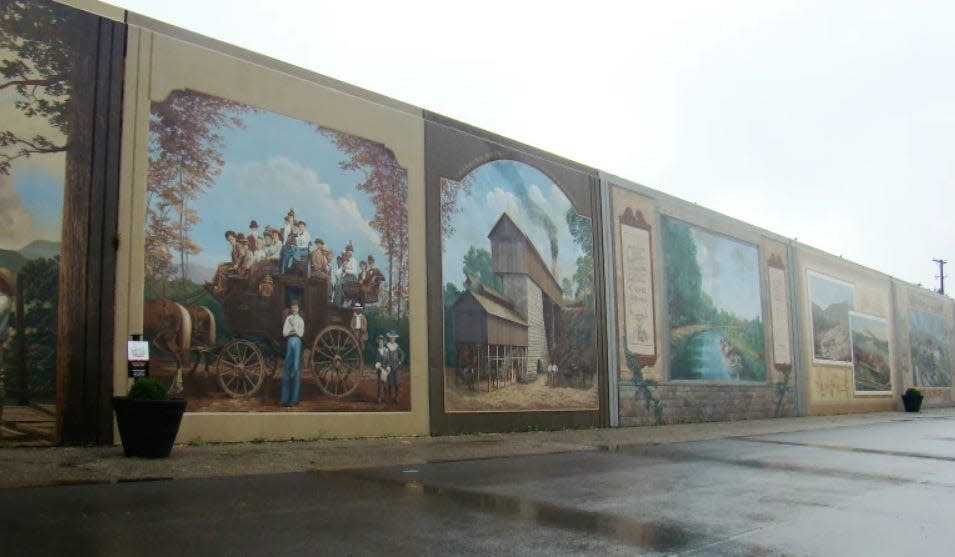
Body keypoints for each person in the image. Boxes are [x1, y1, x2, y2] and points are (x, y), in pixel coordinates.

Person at [281, 300, 305, 407]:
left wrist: (293, 327)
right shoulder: (288, 319)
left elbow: (300, 333)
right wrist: (291, 330)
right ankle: (284, 399)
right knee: (287, 368)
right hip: (289, 341)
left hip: (297, 341)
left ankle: (294, 400)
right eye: (293, 306)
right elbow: (285, 333)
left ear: (298, 308)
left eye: (296, 306)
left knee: (296, 368)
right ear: (291, 308)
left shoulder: (300, 320)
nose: (294, 308)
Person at [207, 230, 239, 295]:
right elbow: (233, 262)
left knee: (222, 269)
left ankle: (222, 289)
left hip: (239, 268)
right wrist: (224, 263)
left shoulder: (238, 246)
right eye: (229, 240)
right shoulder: (234, 248)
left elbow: (241, 257)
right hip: (235, 265)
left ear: (235, 238)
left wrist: (237, 264)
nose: (230, 242)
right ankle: (214, 282)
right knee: (220, 265)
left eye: (231, 239)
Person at [383, 331, 404, 404]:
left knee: (396, 383)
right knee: (390, 383)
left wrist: (400, 361)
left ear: (395, 338)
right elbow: (384, 356)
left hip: (395, 366)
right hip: (389, 366)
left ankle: (396, 397)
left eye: (394, 338)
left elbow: (402, 354)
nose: (392, 339)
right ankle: (389, 398)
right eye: (391, 338)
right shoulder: (386, 346)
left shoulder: (396, 346)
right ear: (389, 338)